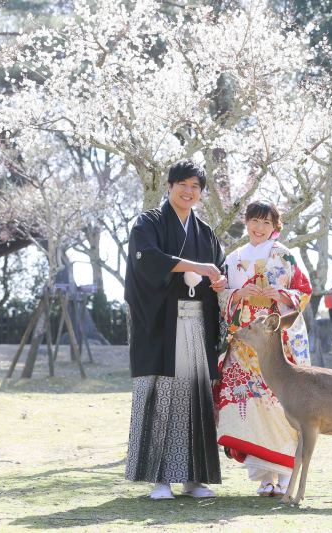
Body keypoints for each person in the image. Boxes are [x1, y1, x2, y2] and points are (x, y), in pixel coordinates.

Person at [124, 159, 227, 500]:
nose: (188, 191)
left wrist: (219, 281)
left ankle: (194, 478)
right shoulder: (149, 222)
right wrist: (197, 266)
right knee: (161, 397)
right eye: (182, 184)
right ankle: (160, 480)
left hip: (196, 323)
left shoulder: (205, 232)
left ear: (201, 193)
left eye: (195, 186)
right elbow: (147, 258)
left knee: (194, 400)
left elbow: (219, 270)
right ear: (169, 186)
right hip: (160, 327)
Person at [214, 201, 312, 497]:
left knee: (279, 406)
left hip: (276, 345)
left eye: (265, 223)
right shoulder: (233, 258)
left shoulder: (286, 256)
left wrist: (281, 294)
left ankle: (284, 475)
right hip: (245, 346)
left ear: (275, 227)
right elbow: (222, 298)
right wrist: (236, 293)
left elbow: (304, 292)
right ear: (245, 222)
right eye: (254, 221)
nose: (258, 228)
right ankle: (263, 477)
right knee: (252, 408)